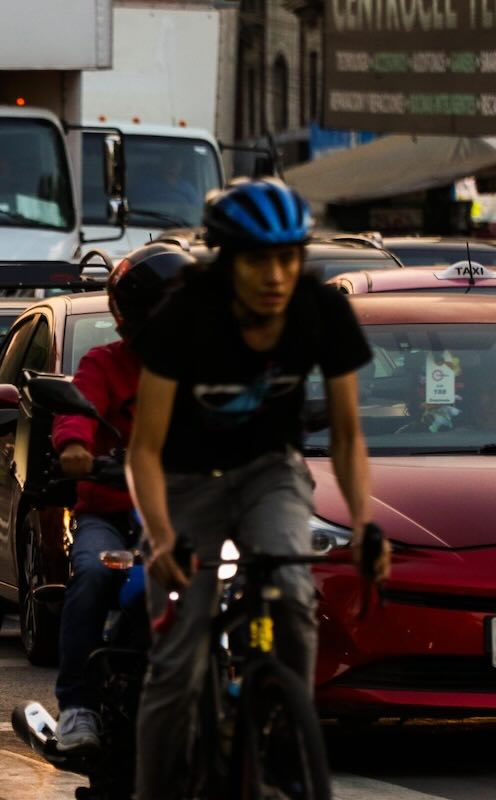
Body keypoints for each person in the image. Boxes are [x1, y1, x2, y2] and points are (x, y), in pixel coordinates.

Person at [126, 178, 391, 799]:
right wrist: (163, 539)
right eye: (257, 260)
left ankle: (280, 722)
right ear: (226, 259)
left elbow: (349, 438)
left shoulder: (320, 309)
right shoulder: (184, 314)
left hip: (270, 470)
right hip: (185, 480)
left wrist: (362, 525)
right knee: (178, 662)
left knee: (295, 595)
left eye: (288, 258)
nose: (275, 276)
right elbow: (145, 448)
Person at [49, 243, 192, 752]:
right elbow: (77, 411)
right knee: (90, 576)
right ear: (128, 312)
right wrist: (73, 447)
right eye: (158, 306)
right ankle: (77, 707)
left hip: (188, 514)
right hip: (112, 514)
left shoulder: (204, 366)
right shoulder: (103, 363)